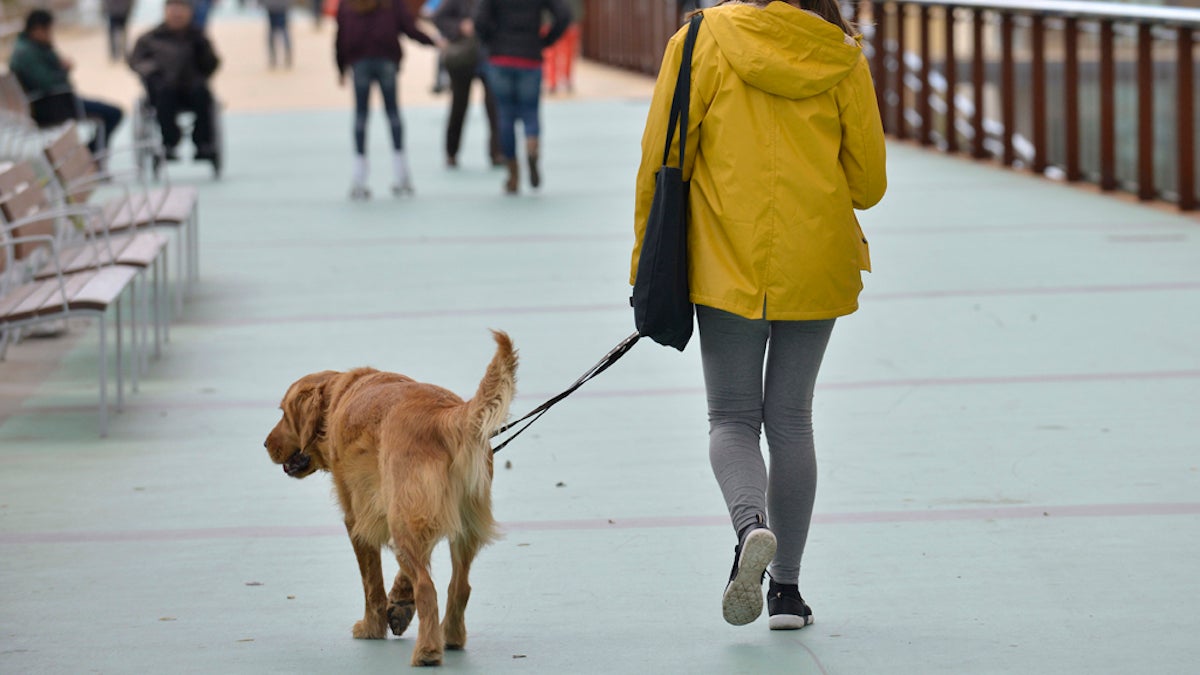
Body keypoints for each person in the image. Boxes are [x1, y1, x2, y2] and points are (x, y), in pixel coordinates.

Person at [631, 0, 886, 630]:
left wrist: (646, 262)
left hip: (726, 260)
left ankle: (751, 530)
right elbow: (868, 184)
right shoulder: (842, 53)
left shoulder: (701, 39)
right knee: (792, 419)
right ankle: (788, 594)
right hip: (815, 259)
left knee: (732, 419)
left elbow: (663, 159)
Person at [335, 0, 441, 200]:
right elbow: (409, 27)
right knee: (392, 114)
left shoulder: (348, 4)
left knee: (361, 117)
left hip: (360, 61)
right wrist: (433, 41)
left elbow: (341, 35)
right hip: (386, 58)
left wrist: (341, 66)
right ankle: (401, 173)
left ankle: (359, 177)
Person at [473, 0, 570, 194]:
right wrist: (546, 40)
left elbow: (479, 19)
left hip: (500, 56)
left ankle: (512, 172)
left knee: (505, 115)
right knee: (530, 111)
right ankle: (532, 148)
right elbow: (564, 14)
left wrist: (490, 41)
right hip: (530, 55)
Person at [8, 9, 123, 155]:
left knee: (111, 112)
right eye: (49, 31)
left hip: (51, 103)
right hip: (55, 106)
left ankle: (89, 154)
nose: (51, 35)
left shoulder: (26, 48)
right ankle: (90, 154)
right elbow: (47, 82)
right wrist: (63, 69)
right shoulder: (27, 53)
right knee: (114, 113)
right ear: (38, 30)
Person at [128, 0, 221, 161]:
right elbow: (136, 61)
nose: (178, 14)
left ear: (190, 13)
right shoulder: (150, 38)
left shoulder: (198, 36)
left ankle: (202, 143)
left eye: (182, 10)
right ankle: (169, 142)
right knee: (165, 95)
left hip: (191, 88)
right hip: (163, 89)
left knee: (202, 94)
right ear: (165, 11)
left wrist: (202, 51)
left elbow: (211, 65)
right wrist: (153, 72)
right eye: (173, 9)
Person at [433, 0, 502, 168]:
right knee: (459, 106)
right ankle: (451, 152)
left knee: (495, 107)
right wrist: (459, 27)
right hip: (463, 59)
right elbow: (439, 17)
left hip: (489, 57)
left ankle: (498, 152)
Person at [262, 0, 292, 68]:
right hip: (282, 5)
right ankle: (287, 54)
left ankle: (272, 56)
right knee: (283, 30)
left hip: (271, 5)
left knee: (272, 30)